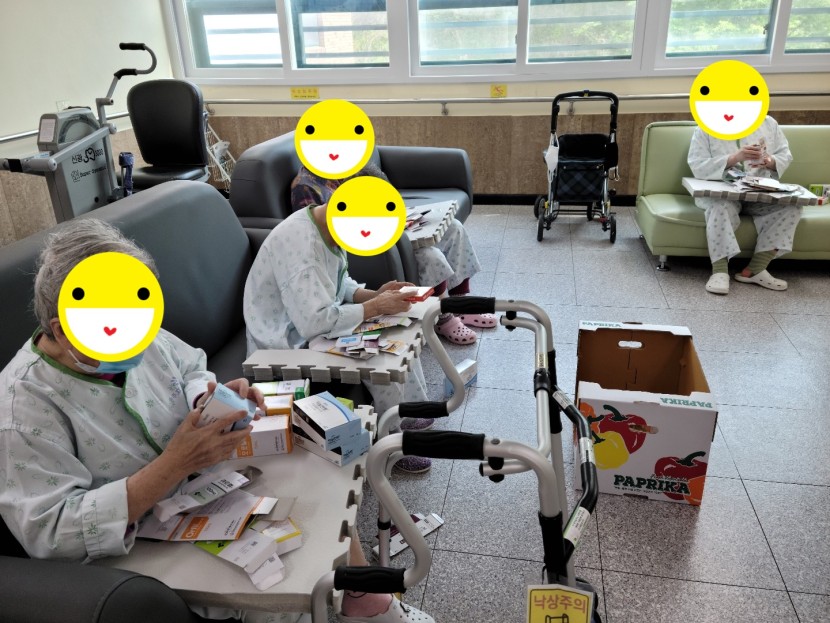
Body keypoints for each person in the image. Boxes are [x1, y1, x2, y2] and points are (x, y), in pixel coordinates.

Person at [0, 219, 430, 623]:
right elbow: (51, 531)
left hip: (201, 488)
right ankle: (349, 602)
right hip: (133, 543)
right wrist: (174, 464)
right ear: (61, 330)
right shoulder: (25, 407)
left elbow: (189, 365)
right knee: (278, 584)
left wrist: (209, 396)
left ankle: (365, 599)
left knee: (325, 488)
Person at [291, 162, 496, 344]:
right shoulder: (306, 187)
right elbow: (324, 233)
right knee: (429, 255)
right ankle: (444, 316)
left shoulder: (347, 168)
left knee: (454, 227)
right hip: (363, 244)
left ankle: (460, 303)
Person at [687, 115, 801, 295]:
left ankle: (755, 270)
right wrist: (734, 158)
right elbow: (697, 165)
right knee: (720, 208)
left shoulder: (769, 123)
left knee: (791, 207)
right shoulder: (706, 126)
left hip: (759, 192)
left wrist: (769, 161)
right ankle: (719, 272)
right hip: (722, 193)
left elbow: (784, 155)